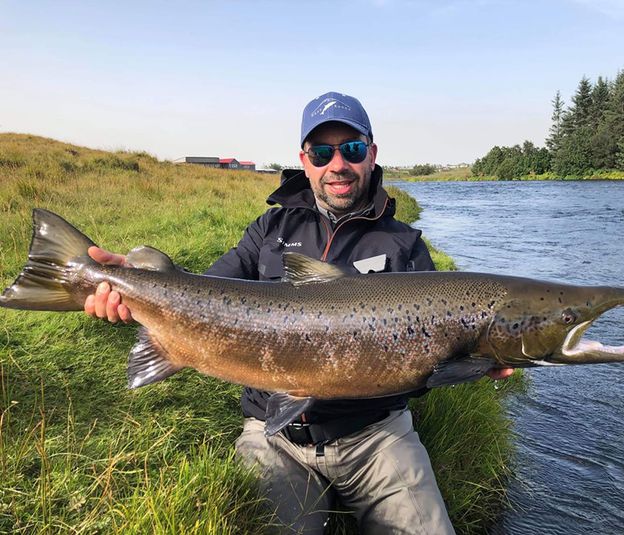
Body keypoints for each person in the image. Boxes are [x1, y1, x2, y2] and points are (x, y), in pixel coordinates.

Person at [84, 91, 514, 534]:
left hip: (377, 435)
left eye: (351, 149)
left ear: (371, 154)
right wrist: (128, 282)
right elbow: (197, 291)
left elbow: (430, 371)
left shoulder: (404, 246)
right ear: (304, 159)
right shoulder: (270, 229)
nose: (337, 165)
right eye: (322, 152)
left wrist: (474, 361)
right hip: (272, 434)